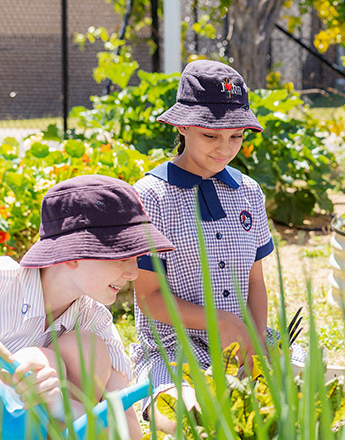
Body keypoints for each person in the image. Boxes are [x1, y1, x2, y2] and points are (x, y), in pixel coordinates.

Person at [131, 59, 302, 433]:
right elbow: (149, 299)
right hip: (174, 348)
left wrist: (255, 339)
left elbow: (256, 282)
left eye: (236, 136)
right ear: (182, 126)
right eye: (211, 136)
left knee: (301, 398)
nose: (225, 148)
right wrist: (221, 321)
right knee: (191, 415)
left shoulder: (249, 191)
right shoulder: (151, 196)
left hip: (244, 342)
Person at [0, 174, 174, 439]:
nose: (133, 273)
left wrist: (61, 405)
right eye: (122, 256)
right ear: (73, 254)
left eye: (136, 258)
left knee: (84, 348)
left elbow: (128, 431)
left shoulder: (94, 322)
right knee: (38, 360)